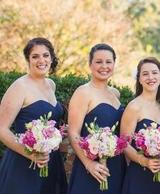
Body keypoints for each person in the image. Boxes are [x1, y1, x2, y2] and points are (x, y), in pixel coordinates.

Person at [0, 37, 67, 194]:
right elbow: (2, 129)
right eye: (35, 56)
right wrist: (30, 154)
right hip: (23, 164)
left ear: (51, 58)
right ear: (28, 60)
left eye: (45, 55)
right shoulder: (19, 87)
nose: (41, 60)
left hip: (51, 162)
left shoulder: (51, 85)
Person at [67, 43, 125, 194]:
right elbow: (73, 133)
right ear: (90, 64)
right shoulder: (83, 92)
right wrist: (89, 164)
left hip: (115, 165)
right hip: (91, 168)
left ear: (114, 64)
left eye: (108, 62)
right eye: (98, 62)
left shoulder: (115, 93)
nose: (104, 66)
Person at [121, 57, 160, 194]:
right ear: (139, 79)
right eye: (145, 74)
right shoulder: (134, 107)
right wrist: (144, 161)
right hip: (141, 172)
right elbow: (124, 143)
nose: (150, 77)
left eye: (154, 73)